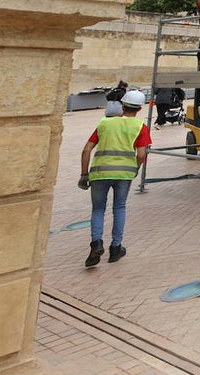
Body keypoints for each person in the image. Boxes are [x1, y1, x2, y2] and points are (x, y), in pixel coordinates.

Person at [79, 89, 151, 267]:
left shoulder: (105, 123)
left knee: (97, 210)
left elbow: (86, 149)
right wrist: (135, 169)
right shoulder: (140, 127)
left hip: (99, 173)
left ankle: (96, 244)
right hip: (123, 175)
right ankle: (115, 248)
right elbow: (141, 154)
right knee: (119, 209)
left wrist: (83, 174)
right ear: (140, 109)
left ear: (122, 106)